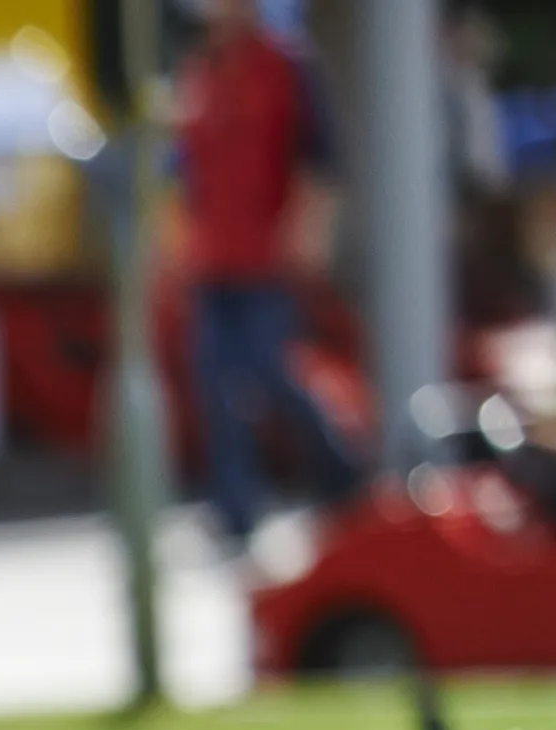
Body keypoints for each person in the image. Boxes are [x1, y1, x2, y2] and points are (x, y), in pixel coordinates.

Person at [172, 0, 357, 543]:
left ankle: (343, 474)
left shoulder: (286, 64)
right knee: (213, 382)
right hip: (213, 257)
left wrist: (310, 231)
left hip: (267, 254)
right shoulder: (199, 70)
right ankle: (236, 510)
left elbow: (319, 157)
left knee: (274, 374)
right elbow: (189, 169)